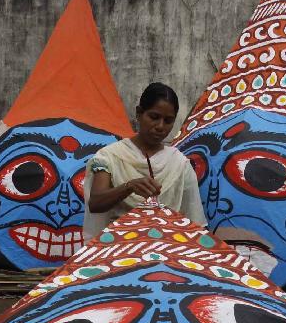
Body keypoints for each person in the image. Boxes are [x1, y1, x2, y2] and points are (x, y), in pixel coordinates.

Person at [82, 82, 207, 241]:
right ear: (139, 113)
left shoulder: (180, 163)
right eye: (154, 117)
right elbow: (96, 203)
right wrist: (129, 186)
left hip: (167, 250)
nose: (160, 126)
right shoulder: (109, 156)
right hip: (120, 250)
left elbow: (194, 222)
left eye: (168, 121)